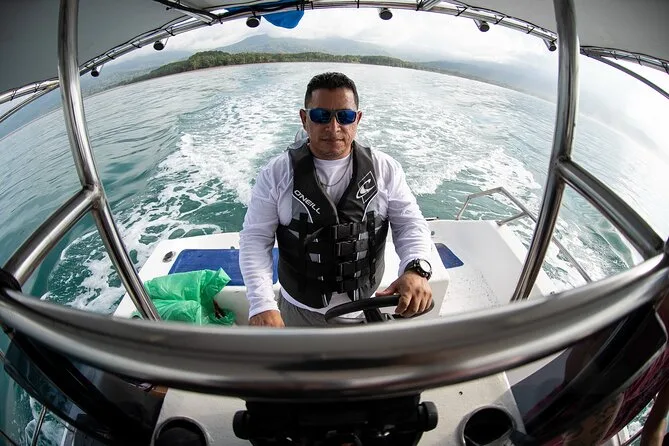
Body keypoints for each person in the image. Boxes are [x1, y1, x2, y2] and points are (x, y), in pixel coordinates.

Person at [239, 72, 433, 327]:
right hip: (298, 311)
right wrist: (261, 303)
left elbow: (409, 223)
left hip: (368, 306)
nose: (333, 127)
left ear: (357, 119)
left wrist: (416, 268)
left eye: (345, 116)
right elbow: (255, 238)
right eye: (321, 116)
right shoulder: (276, 174)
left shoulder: (385, 170)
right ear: (304, 119)